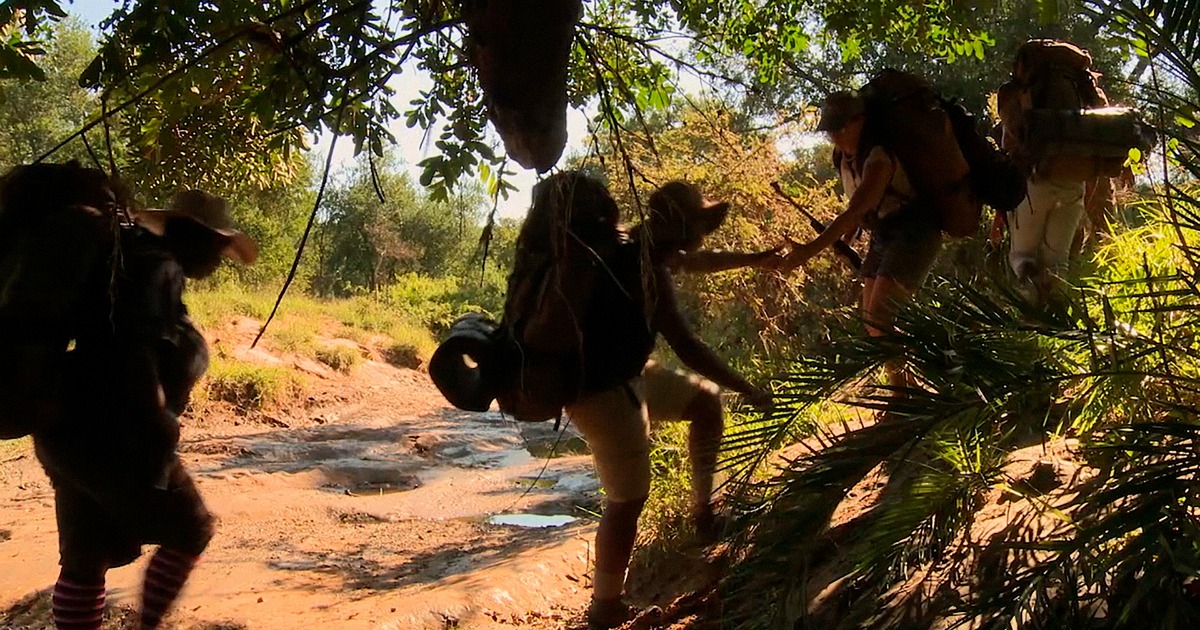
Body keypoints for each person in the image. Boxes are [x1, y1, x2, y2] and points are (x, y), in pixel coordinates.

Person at [549, 176, 771, 629]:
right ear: (683, 225)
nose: (703, 235)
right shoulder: (642, 265)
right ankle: (605, 607)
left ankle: (703, 513)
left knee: (705, 403)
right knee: (628, 500)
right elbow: (689, 347)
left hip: (627, 374)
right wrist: (747, 387)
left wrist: (757, 259)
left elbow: (695, 261)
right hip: (599, 391)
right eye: (699, 225)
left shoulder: (643, 241)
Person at [32, 189, 256, 630]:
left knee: (86, 556)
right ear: (199, 237)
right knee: (192, 527)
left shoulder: (130, 264)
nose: (218, 259)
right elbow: (132, 352)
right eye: (218, 246)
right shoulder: (159, 269)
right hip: (117, 433)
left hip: (64, 427)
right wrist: (157, 424)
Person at [784, 90, 943, 404]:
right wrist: (854, 227)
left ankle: (909, 393)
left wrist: (807, 251)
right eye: (830, 129)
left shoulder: (878, 157)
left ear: (861, 122)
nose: (835, 136)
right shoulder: (844, 159)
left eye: (841, 127)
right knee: (873, 322)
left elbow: (858, 207)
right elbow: (862, 209)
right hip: (885, 235)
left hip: (915, 231)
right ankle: (909, 390)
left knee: (882, 317)